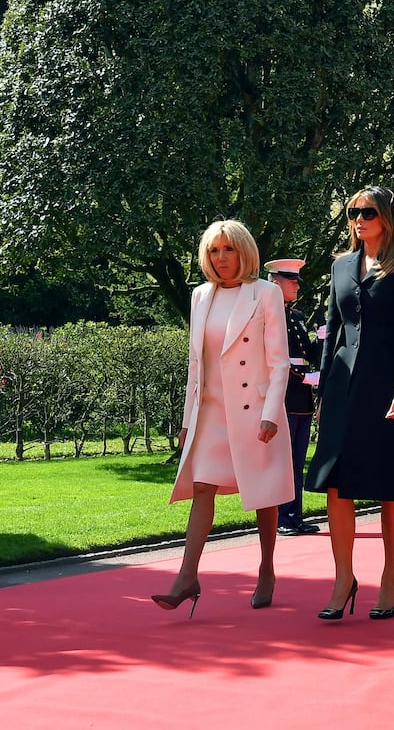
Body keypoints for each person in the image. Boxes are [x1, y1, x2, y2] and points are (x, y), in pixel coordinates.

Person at [306, 186, 394, 621]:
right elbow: (333, 331)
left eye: (367, 212)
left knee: (390, 485)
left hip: (388, 387)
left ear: (386, 217)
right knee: (335, 483)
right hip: (344, 388)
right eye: (353, 212)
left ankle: (390, 577)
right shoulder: (340, 267)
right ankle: (343, 578)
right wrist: (324, 390)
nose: (358, 219)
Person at [152, 220, 292, 616]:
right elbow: (196, 363)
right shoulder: (200, 296)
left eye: (228, 249)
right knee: (202, 486)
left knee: (263, 493)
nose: (221, 258)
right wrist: (186, 419)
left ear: (243, 251)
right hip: (211, 411)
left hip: (253, 411)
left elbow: (279, 361)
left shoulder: (266, 293)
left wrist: (270, 414)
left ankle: (266, 568)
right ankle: (187, 576)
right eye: (214, 251)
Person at [268, 258, 321, 536]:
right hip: (283, 396)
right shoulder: (267, 314)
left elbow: (309, 355)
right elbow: (272, 359)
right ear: (276, 283)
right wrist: (303, 377)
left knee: (297, 461)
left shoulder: (296, 317)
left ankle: (294, 515)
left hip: (301, 398)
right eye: (292, 281)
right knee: (283, 461)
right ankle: (281, 518)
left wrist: (323, 335)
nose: (297, 286)